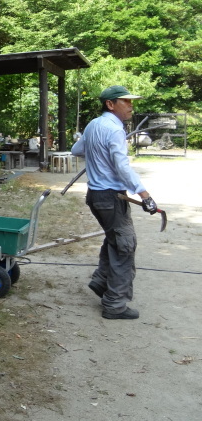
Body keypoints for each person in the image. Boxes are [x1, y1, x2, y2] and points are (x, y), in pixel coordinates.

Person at [71, 85, 159, 320]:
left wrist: (95, 155)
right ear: (110, 104)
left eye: (131, 101)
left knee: (114, 239)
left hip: (96, 196)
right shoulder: (114, 130)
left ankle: (101, 282)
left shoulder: (93, 125)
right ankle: (115, 304)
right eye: (126, 101)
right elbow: (122, 167)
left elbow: (76, 149)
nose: (131, 105)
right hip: (111, 196)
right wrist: (145, 195)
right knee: (124, 246)